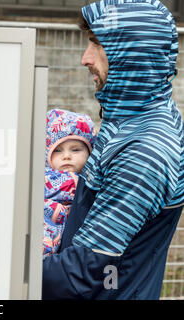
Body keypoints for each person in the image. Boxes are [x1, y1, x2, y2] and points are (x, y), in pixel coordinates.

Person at [42, 0, 184, 300]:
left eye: (96, 44)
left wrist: (2, 269)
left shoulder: (144, 151)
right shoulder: (136, 113)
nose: (85, 58)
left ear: (130, 54)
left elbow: (81, 272)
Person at [43, 109, 95, 257]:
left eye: (76, 150)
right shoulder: (44, 178)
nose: (66, 156)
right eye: (58, 151)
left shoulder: (92, 181)